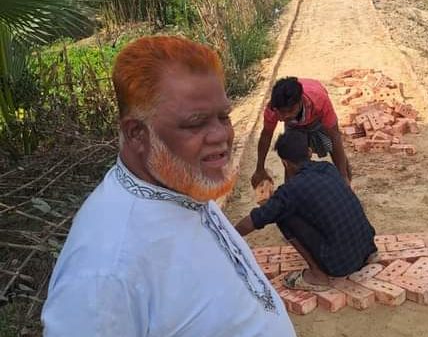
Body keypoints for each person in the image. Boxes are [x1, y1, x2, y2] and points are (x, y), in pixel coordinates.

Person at [41, 36, 295, 337]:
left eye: (223, 116)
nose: (221, 136)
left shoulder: (180, 182)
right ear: (137, 134)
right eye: (195, 123)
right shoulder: (104, 270)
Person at [236, 130, 376, 291]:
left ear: (285, 163)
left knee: (282, 216)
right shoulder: (328, 168)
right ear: (309, 152)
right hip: (367, 249)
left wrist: (225, 234)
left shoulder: (289, 191)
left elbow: (252, 222)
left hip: (341, 265)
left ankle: (318, 275)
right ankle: (366, 254)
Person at [251, 77, 350, 188]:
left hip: (316, 119)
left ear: (300, 102)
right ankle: (292, 192)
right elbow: (266, 136)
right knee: (291, 159)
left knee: (339, 159)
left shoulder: (319, 100)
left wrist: (343, 175)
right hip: (294, 127)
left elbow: (335, 136)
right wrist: (260, 169)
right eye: (282, 112)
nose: (285, 116)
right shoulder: (272, 109)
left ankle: (347, 184)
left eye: (290, 111)